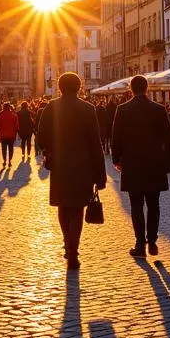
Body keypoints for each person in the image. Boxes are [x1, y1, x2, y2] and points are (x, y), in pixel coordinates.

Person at [37, 73, 107, 269]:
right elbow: (96, 144)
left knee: (63, 206)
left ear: (59, 87)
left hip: (60, 164)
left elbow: (41, 135)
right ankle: (74, 251)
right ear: (79, 88)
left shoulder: (52, 107)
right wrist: (100, 175)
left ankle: (68, 245)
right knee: (77, 209)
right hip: (83, 165)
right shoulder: (88, 109)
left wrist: (49, 149)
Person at [111, 75, 170, 259]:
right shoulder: (159, 109)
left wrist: (116, 158)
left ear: (131, 88)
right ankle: (152, 241)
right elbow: (168, 138)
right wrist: (169, 162)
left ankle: (140, 243)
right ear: (147, 88)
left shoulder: (122, 109)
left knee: (136, 205)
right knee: (154, 204)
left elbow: (117, 137)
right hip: (154, 163)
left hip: (132, 163)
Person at [0, 102, 19, 168]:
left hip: (3, 135)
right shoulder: (13, 115)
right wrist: (15, 133)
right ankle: (10, 160)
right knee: (11, 148)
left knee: (4, 149)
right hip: (11, 135)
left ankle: (4, 160)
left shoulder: (0, 114)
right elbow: (17, 126)